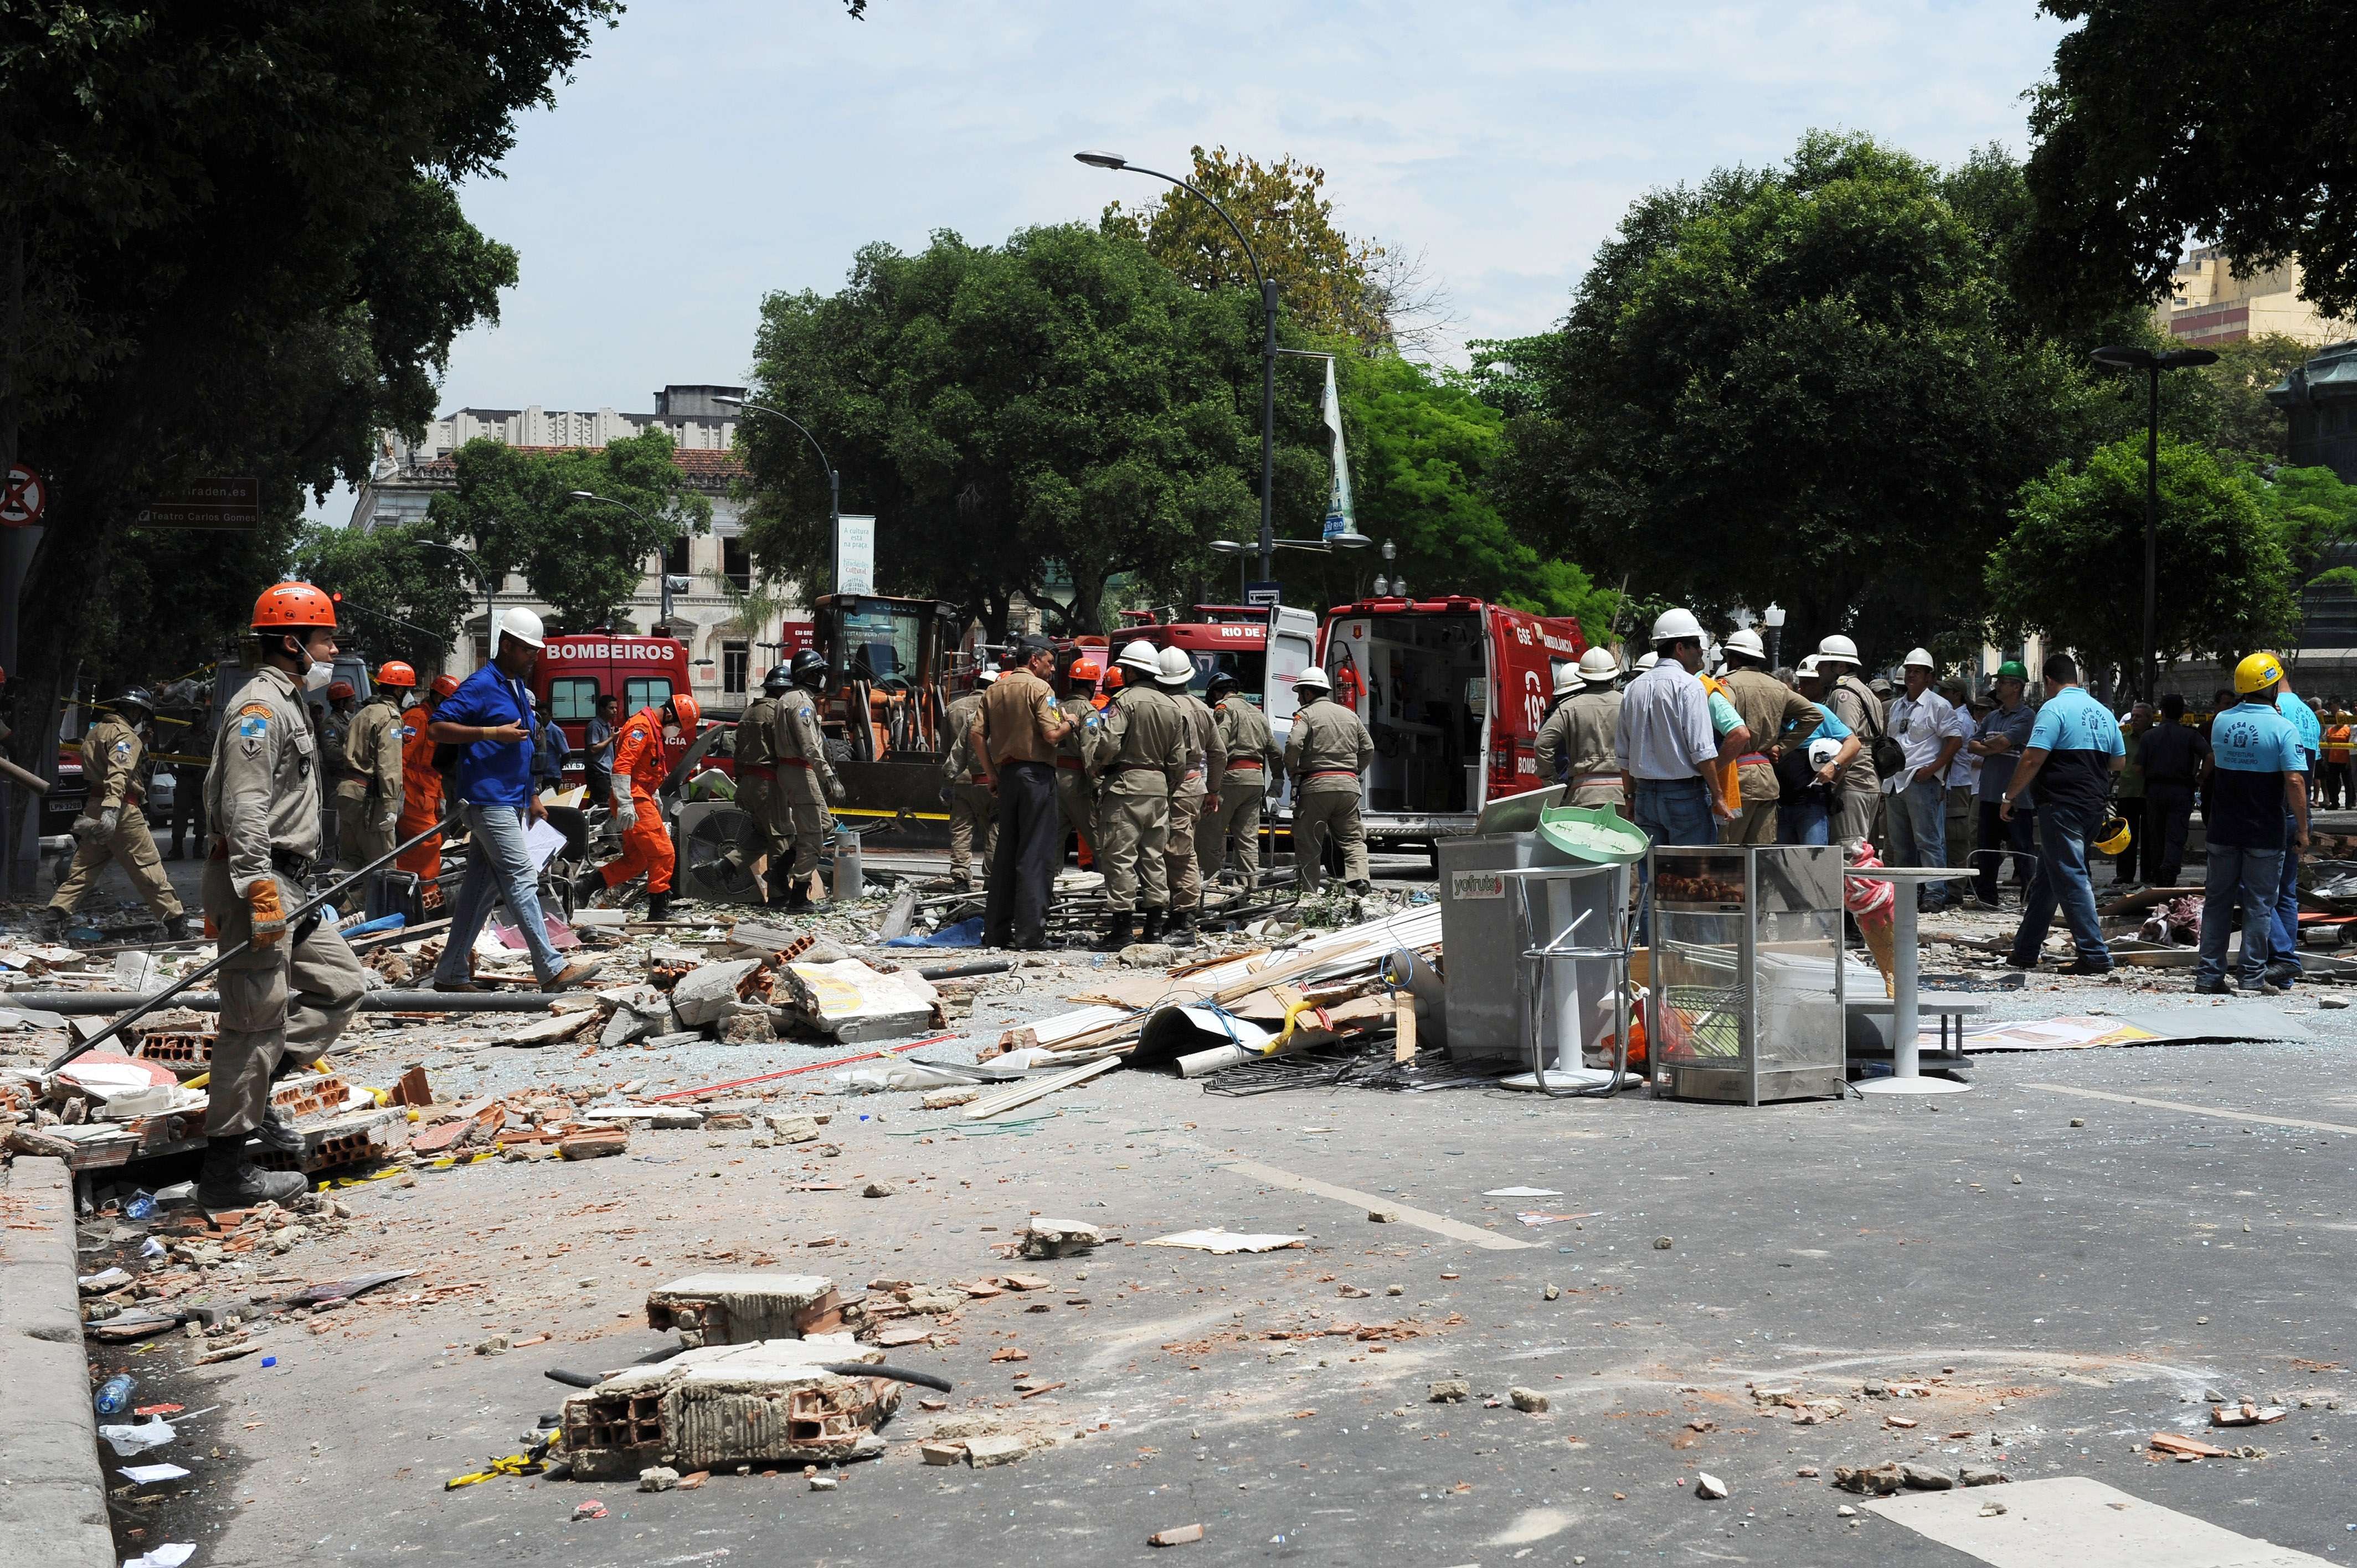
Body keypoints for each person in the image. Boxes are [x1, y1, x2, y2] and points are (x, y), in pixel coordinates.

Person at [197, 583, 368, 1209]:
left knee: (342, 984)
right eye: (325, 638)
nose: (333, 649)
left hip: (290, 882)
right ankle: (224, 1174)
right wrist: (261, 889)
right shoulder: (260, 711)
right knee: (253, 1021)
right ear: (291, 643)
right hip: (259, 884)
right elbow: (244, 808)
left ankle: (258, 1096)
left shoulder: (291, 702)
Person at [426, 607, 598, 992]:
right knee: (522, 876)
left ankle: (450, 972)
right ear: (507, 646)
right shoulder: (482, 684)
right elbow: (437, 727)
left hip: (510, 800)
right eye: (528, 650)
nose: (534, 656)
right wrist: (490, 732)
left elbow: (522, 749)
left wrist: (531, 795)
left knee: (480, 891)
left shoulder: (518, 687)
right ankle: (550, 968)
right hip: (487, 801)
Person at [2000, 652, 2124, 975]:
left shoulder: (2053, 709)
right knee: (2049, 878)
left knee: (2071, 877)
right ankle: (2025, 950)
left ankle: (2095, 955)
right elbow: (2118, 762)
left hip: (2061, 804)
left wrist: (2010, 795)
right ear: (2078, 679)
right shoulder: (2103, 712)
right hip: (2094, 803)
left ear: (2050, 681)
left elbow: (2033, 757)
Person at [2195, 654, 2308, 993]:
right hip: (2264, 830)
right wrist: (2303, 830)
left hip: (2222, 828)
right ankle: (2252, 976)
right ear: (2272, 686)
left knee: (2217, 902)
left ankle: (2209, 977)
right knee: (2259, 905)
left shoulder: (2221, 722)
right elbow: (2295, 781)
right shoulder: (2283, 727)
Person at [44, 688, 187, 939]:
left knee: (82, 871)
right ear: (133, 711)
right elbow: (118, 773)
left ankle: (52, 920)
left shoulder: (97, 731)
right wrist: (113, 808)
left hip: (94, 806)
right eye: (141, 714)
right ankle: (177, 926)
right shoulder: (125, 735)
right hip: (121, 810)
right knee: (148, 869)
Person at [1618, 609, 1749, 853]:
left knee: (1654, 875)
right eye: (1696, 645)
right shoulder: (1690, 686)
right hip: (1684, 796)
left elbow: (1624, 754)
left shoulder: (1633, 688)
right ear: (1680, 648)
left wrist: (1630, 797)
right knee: (1694, 876)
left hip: (1646, 795)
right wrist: (1718, 796)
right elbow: (1702, 751)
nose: (1701, 651)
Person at [1085, 640, 1188, 947]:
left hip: (1125, 786)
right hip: (1158, 789)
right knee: (1154, 857)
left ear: (1130, 671)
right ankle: (1155, 930)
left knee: (1120, 857)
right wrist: (1165, 784)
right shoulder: (1172, 706)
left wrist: (1099, 764)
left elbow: (1109, 744)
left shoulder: (1124, 702)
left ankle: (1121, 931)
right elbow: (1178, 760)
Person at [976, 636, 1073, 949]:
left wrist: (992, 774)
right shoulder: (1041, 690)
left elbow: (977, 735)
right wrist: (1071, 723)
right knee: (1036, 854)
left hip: (1008, 775)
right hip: (1037, 776)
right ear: (1034, 660)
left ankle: (997, 933)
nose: (1051, 670)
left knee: (1006, 854)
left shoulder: (995, 689)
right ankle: (1030, 935)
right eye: (1049, 663)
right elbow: (1052, 733)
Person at [574, 688, 703, 919]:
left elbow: (645, 769)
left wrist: (651, 795)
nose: (677, 732)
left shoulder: (651, 726)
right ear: (671, 716)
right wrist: (626, 802)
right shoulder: (641, 728)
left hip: (639, 796)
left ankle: (586, 886)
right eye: (680, 726)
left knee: (637, 860)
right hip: (633, 798)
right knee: (664, 853)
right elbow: (622, 767)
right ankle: (658, 911)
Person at [1715, 626, 1821, 843]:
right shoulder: (1777, 687)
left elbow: (1730, 726)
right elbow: (1813, 715)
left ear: (1731, 658)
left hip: (1737, 779)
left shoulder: (1727, 684)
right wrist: (1781, 747)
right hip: (1767, 780)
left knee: (1728, 852)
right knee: (1762, 856)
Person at [1881, 648, 1968, 912]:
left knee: (1929, 840)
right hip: (1896, 780)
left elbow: (1955, 740)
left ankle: (1934, 893)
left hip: (1921, 780)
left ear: (1930, 677)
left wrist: (1934, 770)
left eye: (1917, 672)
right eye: (1908, 671)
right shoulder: (1897, 706)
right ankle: (1909, 892)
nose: (1911, 675)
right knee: (1900, 844)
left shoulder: (1938, 705)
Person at [1284, 664, 1375, 898]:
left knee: (1309, 841)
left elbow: (1294, 744)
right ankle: (1359, 878)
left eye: (1299, 694)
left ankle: (1309, 892)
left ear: (1307, 692)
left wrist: (1293, 770)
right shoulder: (1349, 715)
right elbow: (1368, 748)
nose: (1298, 699)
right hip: (1348, 787)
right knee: (1353, 838)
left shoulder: (1305, 715)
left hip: (1316, 787)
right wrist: (1354, 770)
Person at [1155, 647, 1225, 943]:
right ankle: (1177, 914)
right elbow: (1218, 753)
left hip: (1174, 786)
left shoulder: (1163, 706)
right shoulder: (1202, 708)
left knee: (1179, 852)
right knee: (1178, 848)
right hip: (1194, 785)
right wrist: (1213, 790)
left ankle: (1184, 922)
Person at [767, 649, 845, 906]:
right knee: (813, 836)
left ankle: (779, 870)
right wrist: (830, 777)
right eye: (820, 673)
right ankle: (799, 896)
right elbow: (810, 746)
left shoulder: (788, 699)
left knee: (823, 825)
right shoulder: (801, 702)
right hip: (800, 771)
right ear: (810, 675)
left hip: (794, 771)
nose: (824, 678)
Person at [1968, 661, 2039, 906]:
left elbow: (1994, 745)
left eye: (2003, 682)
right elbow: (1972, 745)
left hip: (2017, 795)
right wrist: (1997, 745)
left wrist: (1993, 746)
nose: (1997, 686)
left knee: (2022, 849)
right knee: (1987, 849)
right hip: (1989, 793)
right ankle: (1987, 897)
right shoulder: (1993, 717)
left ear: (2017, 687)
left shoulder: (2027, 717)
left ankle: (2030, 899)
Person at [334, 662, 409, 888]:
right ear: (398, 691)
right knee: (383, 867)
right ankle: (378, 920)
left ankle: (330, 906)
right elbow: (389, 765)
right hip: (370, 799)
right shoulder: (390, 717)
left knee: (351, 861)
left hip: (348, 792)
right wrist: (390, 805)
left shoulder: (363, 713)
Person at [1202, 668, 1278, 882]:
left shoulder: (1224, 709)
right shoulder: (1258, 713)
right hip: (1255, 780)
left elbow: (1220, 746)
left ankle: (1213, 884)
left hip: (1230, 778)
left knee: (1211, 835)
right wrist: (1279, 779)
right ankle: (1249, 887)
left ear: (1216, 694)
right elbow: (1275, 751)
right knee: (1247, 839)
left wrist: (1212, 787)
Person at [1814, 635, 1886, 854]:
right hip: (1866, 778)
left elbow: (1847, 742)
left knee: (1849, 853)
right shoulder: (1864, 690)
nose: (1818, 669)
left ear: (1840, 665)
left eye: (1823, 663)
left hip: (1853, 780)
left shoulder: (1843, 693)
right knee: (1859, 850)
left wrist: (1834, 779)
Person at [1776, 657, 1858, 844]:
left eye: (1786, 695)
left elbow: (1853, 743)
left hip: (1811, 807)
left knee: (1815, 866)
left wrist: (1834, 766)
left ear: (1798, 692)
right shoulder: (1770, 720)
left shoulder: (1819, 712)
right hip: (1779, 808)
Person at [735, 666, 799, 902]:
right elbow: (787, 750)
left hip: (747, 784)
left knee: (763, 834)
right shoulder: (777, 713)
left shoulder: (748, 712)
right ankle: (779, 896)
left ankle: (727, 864)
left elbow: (737, 750)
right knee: (780, 838)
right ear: (783, 689)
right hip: (768, 784)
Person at [1535, 647, 1626, 808]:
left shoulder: (1568, 707)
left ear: (1582, 677)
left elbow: (1542, 744)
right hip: (1623, 793)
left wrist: (1551, 780)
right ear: (1614, 676)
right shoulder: (1628, 703)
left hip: (1582, 794)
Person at [2138, 693, 2206, 888]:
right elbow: (2210, 757)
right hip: (2182, 790)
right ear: (2183, 713)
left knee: (2156, 833)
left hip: (2155, 789)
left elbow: (2137, 768)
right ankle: (2170, 872)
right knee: (2176, 834)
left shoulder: (2149, 736)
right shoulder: (2191, 735)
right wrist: (2200, 778)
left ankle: (2158, 871)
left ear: (2163, 712)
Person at [938, 669, 999, 891]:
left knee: (961, 830)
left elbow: (946, 748)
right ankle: (991, 881)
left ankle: (961, 879)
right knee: (994, 831)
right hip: (992, 781)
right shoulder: (999, 711)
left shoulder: (954, 707)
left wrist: (947, 781)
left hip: (961, 780)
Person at [395, 674, 459, 880]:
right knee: (429, 840)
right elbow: (400, 758)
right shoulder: (417, 718)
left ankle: (421, 886)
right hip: (413, 792)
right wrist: (398, 793)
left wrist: (440, 796)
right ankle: (410, 882)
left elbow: (433, 768)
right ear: (440, 699)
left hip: (426, 792)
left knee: (432, 840)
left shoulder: (434, 721)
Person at [1054, 658, 1103, 868]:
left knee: (1054, 838)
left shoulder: (1057, 707)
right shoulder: (1088, 711)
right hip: (1078, 783)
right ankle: (1112, 884)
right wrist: (1098, 785)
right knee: (1096, 835)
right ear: (1092, 685)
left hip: (1054, 779)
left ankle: (1049, 885)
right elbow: (1090, 750)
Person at [2110, 701, 2153, 886]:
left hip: (2149, 793)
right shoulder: (2124, 738)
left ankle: (2148, 874)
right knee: (2126, 835)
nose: (2134, 720)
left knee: (2150, 836)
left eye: (2139, 717)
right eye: (2133, 716)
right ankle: (2124, 874)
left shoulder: (2153, 738)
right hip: (2127, 792)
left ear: (2149, 719)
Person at [583, 693, 619, 809]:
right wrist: (611, 738)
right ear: (602, 709)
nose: (615, 711)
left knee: (599, 800)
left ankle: (589, 821)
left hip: (606, 770)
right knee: (603, 800)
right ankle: (594, 823)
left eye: (616, 708)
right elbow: (593, 749)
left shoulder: (607, 725)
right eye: (611, 708)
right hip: (597, 770)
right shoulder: (595, 726)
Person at [532, 706, 570, 795]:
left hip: (552, 777)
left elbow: (567, 754)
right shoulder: (537, 730)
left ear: (551, 716)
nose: (541, 717)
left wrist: (556, 767)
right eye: (539, 714)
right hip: (539, 776)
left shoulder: (555, 731)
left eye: (544, 714)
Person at [2321, 708, 2350, 811]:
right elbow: (2327, 745)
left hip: (2345, 760)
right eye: (2338, 718)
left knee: (2348, 783)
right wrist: (2326, 759)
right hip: (2332, 760)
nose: (2340, 720)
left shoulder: (2348, 730)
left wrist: (2350, 761)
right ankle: (2334, 802)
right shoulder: (2330, 730)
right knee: (2332, 783)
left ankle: (2349, 803)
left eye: (2342, 718)